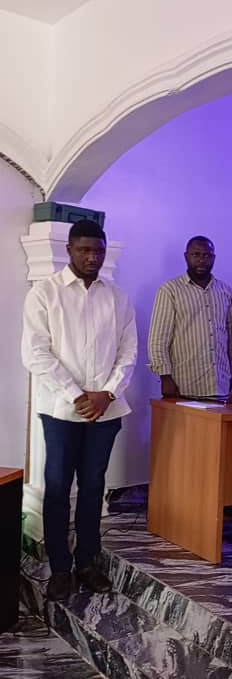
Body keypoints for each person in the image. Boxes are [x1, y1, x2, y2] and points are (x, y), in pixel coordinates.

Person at [21, 219, 137, 602]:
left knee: (92, 486)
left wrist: (107, 393)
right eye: (85, 250)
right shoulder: (45, 293)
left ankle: (87, 562)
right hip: (60, 410)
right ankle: (59, 568)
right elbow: (36, 354)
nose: (92, 257)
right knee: (57, 488)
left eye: (98, 251)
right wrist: (77, 395)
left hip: (106, 411)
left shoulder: (117, 297)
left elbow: (128, 352)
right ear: (69, 249)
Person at [148, 235, 232, 398]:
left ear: (213, 258)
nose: (202, 260)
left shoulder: (225, 291)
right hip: (184, 386)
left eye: (207, 255)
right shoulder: (170, 290)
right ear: (186, 256)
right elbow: (158, 339)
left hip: (221, 386)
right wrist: (165, 377)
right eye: (196, 254)